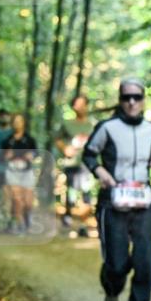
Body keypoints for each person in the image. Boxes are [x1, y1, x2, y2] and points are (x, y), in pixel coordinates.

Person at [83, 79, 151, 301]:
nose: (131, 102)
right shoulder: (107, 128)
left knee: (145, 261)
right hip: (113, 201)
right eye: (126, 97)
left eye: (136, 97)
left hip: (144, 201)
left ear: (143, 100)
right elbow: (88, 154)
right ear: (120, 99)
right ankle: (112, 286)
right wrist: (100, 172)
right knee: (117, 263)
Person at [57, 95, 96, 232]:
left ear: (86, 106)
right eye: (75, 104)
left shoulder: (92, 124)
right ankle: (68, 219)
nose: (78, 107)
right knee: (71, 193)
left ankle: (83, 225)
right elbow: (58, 139)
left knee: (86, 192)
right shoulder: (67, 124)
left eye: (81, 104)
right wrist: (64, 148)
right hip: (71, 163)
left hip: (87, 164)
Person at [1, 114, 38, 233]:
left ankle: (26, 219)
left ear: (23, 123)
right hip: (12, 172)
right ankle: (18, 223)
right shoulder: (7, 141)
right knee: (17, 199)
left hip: (27, 172)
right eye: (15, 121)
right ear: (12, 123)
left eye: (19, 121)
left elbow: (36, 153)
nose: (17, 123)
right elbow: (0, 156)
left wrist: (31, 155)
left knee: (27, 202)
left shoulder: (30, 139)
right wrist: (6, 156)